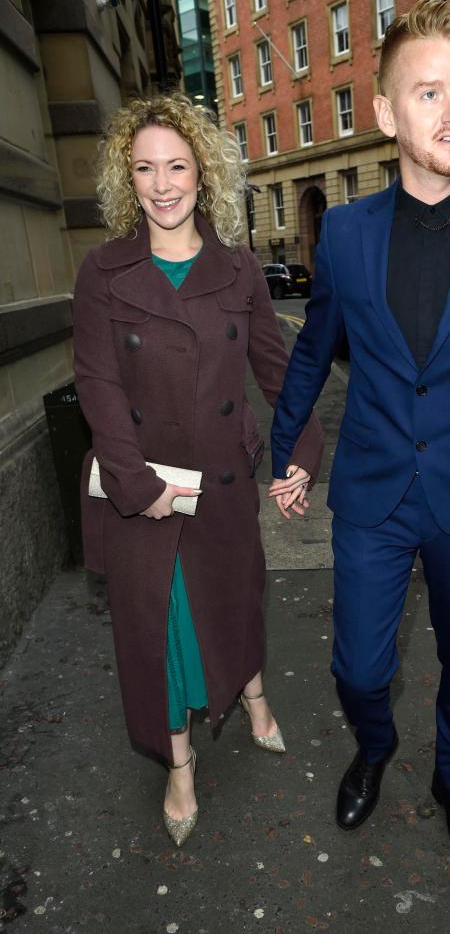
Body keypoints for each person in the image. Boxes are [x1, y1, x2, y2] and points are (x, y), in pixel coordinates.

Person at [269, 0, 450, 864]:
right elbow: (313, 350)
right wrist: (287, 449)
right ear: (386, 112)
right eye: (428, 93)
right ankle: (374, 745)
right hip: (371, 490)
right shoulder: (349, 236)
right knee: (359, 667)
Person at [73, 92, 322, 847]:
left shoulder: (239, 269)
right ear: (128, 179)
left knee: (232, 603)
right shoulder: (102, 272)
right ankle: (178, 765)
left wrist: (299, 458)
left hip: (217, 483)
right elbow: (97, 384)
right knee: (160, 629)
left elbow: (280, 378)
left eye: (177, 165)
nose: (162, 182)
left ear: (201, 173)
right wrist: (136, 485)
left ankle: (251, 693)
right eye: (144, 167)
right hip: (142, 488)